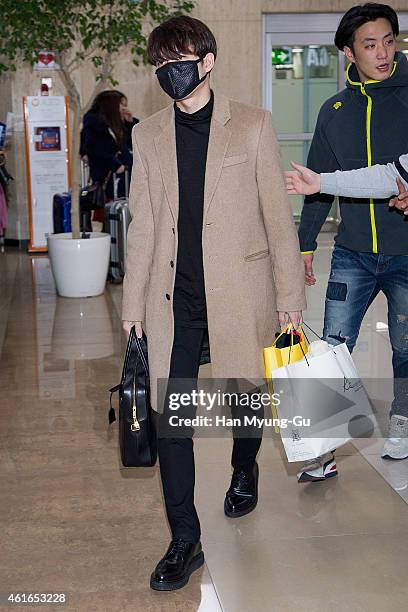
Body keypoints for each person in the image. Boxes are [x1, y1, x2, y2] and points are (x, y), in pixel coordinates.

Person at [121, 16, 305, 592]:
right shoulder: (147, 134)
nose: (168, 72)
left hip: (240, 292)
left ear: (208, 60)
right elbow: (143, 225)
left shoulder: (251, 124)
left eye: (178, 59)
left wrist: (290, 300)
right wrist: (131, 306)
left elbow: (278, 218)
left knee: (243, 394)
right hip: (172, 301)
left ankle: (243, 465)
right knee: (171, 421)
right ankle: (184, 539)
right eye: (159, 64)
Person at [294, 3, 408, 480]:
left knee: (405, 345)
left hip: (406, 252)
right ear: (348, 52)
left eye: (389, 41)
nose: (383, 53)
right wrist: (303, 246)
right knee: (333, 346)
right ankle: (322, 446)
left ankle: (401, 421)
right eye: (369, 44)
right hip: (352, 252)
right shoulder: (334, 110)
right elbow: (316, 181)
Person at [80, 90, 138, 223]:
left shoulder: (117, 122)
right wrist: (115, 165)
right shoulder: (94, 122)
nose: (125, 108)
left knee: (120, 215)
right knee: (109, 216)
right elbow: (93, 148)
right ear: (112, 105)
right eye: (121, 105)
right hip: (109, 177)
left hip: (123, 179)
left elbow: (132, 143)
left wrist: (130, 122)